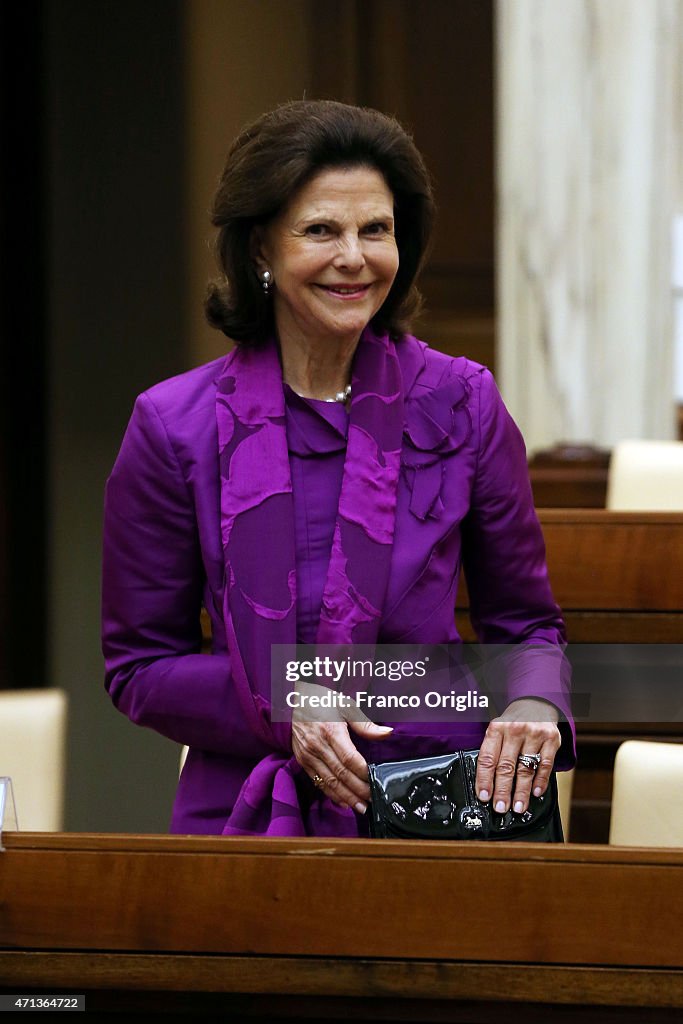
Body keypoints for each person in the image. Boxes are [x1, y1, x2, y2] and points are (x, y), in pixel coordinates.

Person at [102, 100, 574, 837]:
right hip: (244, 817)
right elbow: (139, 667)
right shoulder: (174, 424)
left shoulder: (462, 404)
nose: (354, 257)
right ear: (260, 248)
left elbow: (527, 628)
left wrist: (534, 704)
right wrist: (292, 703)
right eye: (321, 230)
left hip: (435, 806)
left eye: (375, 230)